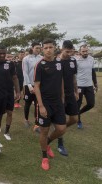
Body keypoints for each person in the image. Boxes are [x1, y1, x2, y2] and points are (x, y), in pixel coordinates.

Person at [34, 38, 66, 170]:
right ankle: (44, 157)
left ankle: (47, 144)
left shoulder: (59, 63)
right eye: (45, 48)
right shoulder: (40, 65)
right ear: (42, 49)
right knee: (44, 130)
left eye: (50, 47)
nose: (48, 50)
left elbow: (61, 81)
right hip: (45, 103)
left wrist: (62, 97)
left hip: (58, 102)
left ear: (54, 48)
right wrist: (41, 106)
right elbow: (36, 86)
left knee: (61, 129)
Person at [0, 46, 20, 156]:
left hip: (7, 94)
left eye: (3, 53)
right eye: (0, 53)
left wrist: (18, 91)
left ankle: (1, 134)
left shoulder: (10, 64)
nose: (2, 55)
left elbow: (15, 77)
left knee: (3, 115)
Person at [55, 40, 79, 156]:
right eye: (67, 51)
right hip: (60, 95)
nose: (69, 54)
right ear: (62, 49)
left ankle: (60, 129)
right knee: (61, 120)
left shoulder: (73, 61)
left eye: (71, 52)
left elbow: (74, 77)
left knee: (74, 119)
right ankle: (60, 144)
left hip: (71, 94)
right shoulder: (56, 61)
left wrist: (76, 91)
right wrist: (61, 95)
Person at [76, 45, 98, 129]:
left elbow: (93, 72)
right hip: (79, 85)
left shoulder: (91, 59)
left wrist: (95, 83)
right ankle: (78, 121)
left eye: (86, 51)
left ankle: (79, 113)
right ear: (80, 52)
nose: (85, 53)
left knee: (91, 104)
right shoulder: (76, 60)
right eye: (83, 51)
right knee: (78, 104)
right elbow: (73, 74)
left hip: (89, 85)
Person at [22, 42, 43, 130]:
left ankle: (37, 123)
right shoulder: (26, 59)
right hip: (28, 85)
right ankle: (26, 119)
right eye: (36, 48)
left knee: (37, 104)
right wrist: (30, 86)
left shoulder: (42, 58)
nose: (38, 50)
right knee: (28, 103)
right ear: (32, 48)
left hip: (38, 85)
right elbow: (25, 73)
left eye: (39, 48)